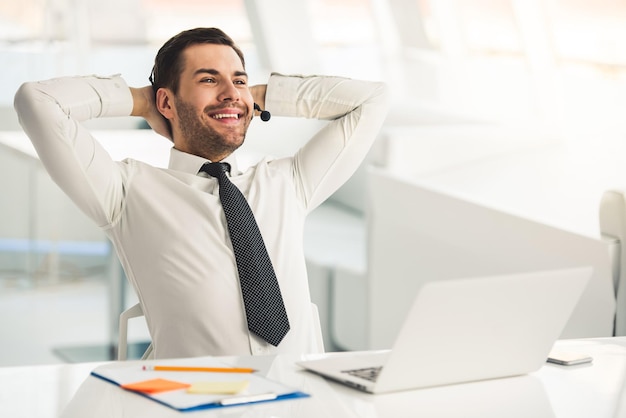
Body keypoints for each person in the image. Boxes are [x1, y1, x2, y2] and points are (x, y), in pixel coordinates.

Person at [14, 27, 388, 358]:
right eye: (209, 80)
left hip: (302, 399)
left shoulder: (288, 181)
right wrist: (141, 101)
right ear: (166, 102)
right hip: (195, 401)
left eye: (239, 80)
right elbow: (37, 101)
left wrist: (259, 94)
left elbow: (371, 100)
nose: (230, 93)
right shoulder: (126, 192)